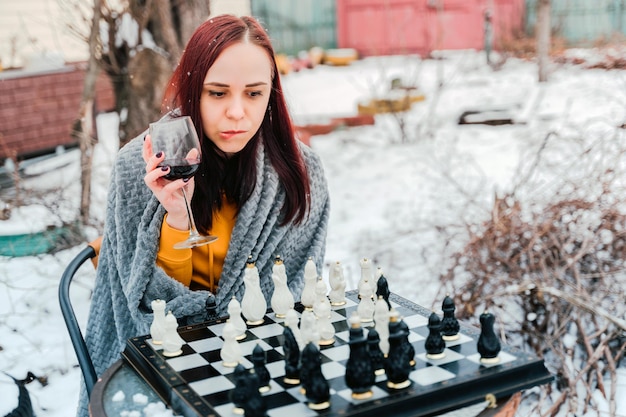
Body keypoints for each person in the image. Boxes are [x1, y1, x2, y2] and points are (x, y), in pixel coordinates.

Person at [76, 14, 330, 416]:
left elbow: (292, 295)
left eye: (253, 94)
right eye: (217, 93)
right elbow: (141, 312)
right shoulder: (139, 167)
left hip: (261, 366)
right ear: (193, 91)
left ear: (272, 94)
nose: (236, 112)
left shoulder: (297, 173)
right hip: (160, 373)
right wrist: (175, 218)